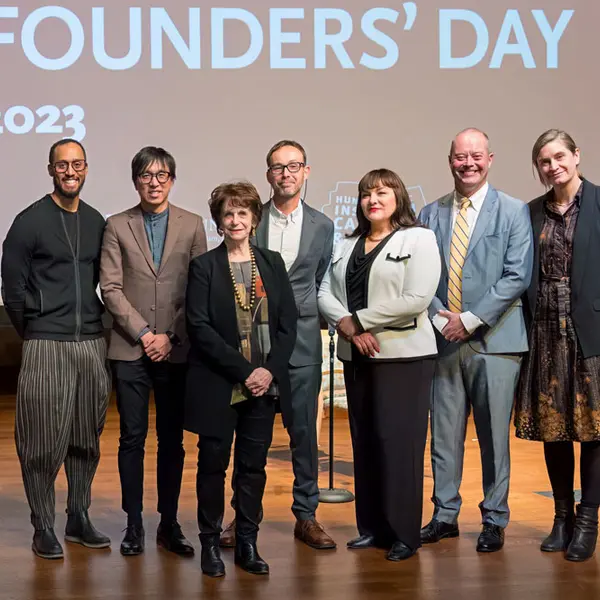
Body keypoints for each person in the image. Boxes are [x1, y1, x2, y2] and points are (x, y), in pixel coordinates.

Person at [419, 128, 533, 552]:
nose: (468, 163)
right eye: (460, 156)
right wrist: (438, 316)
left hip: (496, 343)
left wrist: (469, 319)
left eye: (476, 156)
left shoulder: (513, 211)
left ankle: (494, 519)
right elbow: (421, 275)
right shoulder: (430, 213)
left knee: (492, 438)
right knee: (443, 436)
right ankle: (444, 515)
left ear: (490, 159)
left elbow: (517, 275)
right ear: (449, 160)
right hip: (443, 341)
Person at [318, 168, 441, 561]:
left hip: (403, 357)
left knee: (399, 445)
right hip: (358, 354)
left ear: (399, 198)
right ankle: (371, 528)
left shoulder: (419, 238)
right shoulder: (347, 242)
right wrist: (348, 327)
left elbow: (418, 297)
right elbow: (325, 292)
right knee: (366, 442)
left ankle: (404, 533)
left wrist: (362, 320)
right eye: (366, 194)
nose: (373, 199)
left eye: (382, 192)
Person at [220, 140, 336, 550]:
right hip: (254, 343)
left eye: (294, 166)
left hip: (302, 344)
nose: (285, 174)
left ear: (306, 172)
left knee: (304, 434)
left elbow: (321, 281)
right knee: (250, 436)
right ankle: (241, 516)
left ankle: (306, 516)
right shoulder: (253, 220)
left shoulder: (323, 226)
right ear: (268, 175)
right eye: (277, 167)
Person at [1, 139, 111, 559]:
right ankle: (43, 525)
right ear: (51, 169)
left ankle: (78, 517)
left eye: (77, 164)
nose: (70, 171)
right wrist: (37, 330)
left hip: (90, 346)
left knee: (86, 439)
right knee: (42, 442)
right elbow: (13, 290)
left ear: (86, 168)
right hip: (46, 343)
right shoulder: (29, 221)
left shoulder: (96, 219)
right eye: (62, 164)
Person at [185, 181, 297, 577]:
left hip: (264, 388)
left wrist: (268, 372)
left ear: (254, 219)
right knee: (212, 465)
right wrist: (246, 371)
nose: (235, 220)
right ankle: (211, 544)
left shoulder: (272, 263)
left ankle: (247, 542)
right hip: (219, 385)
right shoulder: (204, 267)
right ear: (219, 221)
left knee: (253, 467)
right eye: (228, 214)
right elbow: (199, 328)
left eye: (242, 213)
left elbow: (288, 325)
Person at [100, 146, 207, 556]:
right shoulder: (116, 225)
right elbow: (110, 287)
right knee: (131, 438)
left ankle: (169, 522)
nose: (154, 181)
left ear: (172, 179)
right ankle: (133, 524)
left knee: (172, 442)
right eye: (146, 174)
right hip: (130, 349)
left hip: (176, 352)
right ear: (136, 180)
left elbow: (198, 288)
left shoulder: (193, 224)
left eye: (162, 174)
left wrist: (170, 337)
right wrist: (145, 334)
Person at [515, 129, 600, 562]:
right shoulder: (531, 212)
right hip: (544, 330)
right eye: (545, 161)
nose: (553, 166)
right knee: (554, 428)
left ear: (576, 155)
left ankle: (587, 523)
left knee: (593, 431)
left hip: (592, 333)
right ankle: (561, 517)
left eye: (560, 156)